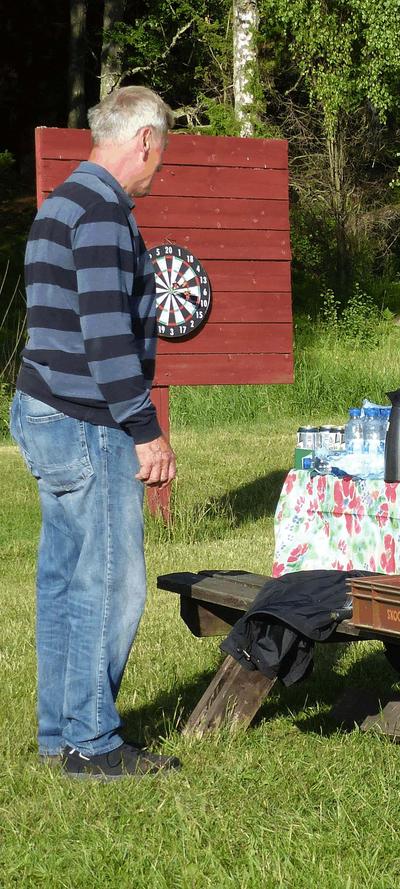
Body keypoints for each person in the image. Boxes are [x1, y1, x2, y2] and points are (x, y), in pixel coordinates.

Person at [9, 85, 180, 780]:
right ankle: (92, 741)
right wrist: (147, 430)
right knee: (111, 581)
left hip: (41, 406)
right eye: (161, 153)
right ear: (143, 140)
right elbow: (107, 335)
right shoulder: (106, 211)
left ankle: (60, 731)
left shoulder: (59, 203)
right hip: (91, 419)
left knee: (63, 577)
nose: (158, 168)